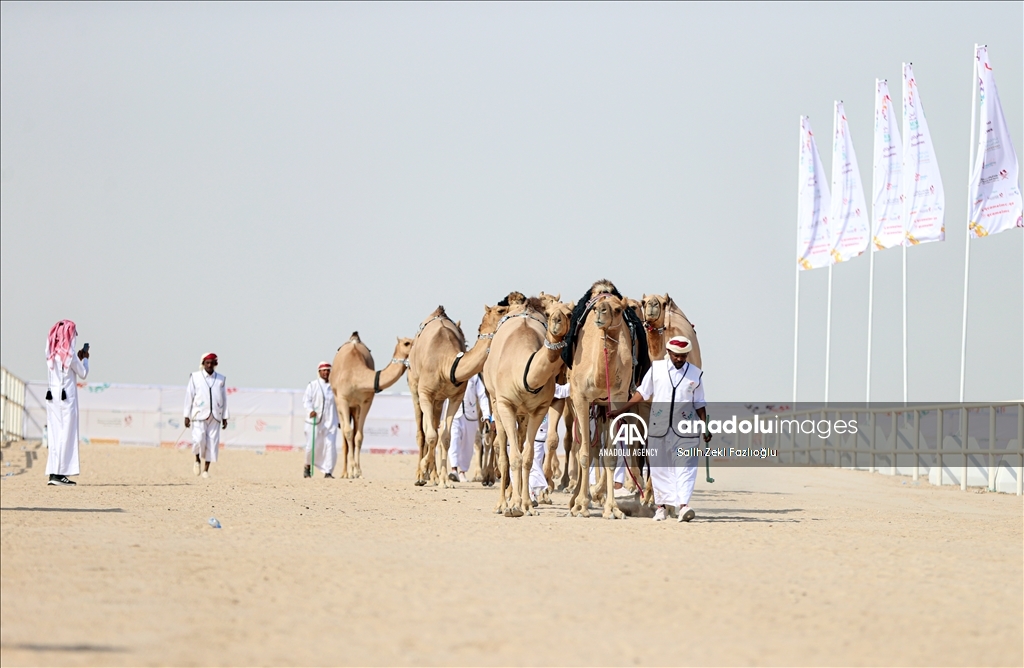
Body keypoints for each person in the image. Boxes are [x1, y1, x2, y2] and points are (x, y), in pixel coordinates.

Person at [617, 336, 710, 523]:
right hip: (658, 428)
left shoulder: (695, 374)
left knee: (686, 466)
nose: (680, 359)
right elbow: (643, 392)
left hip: (686, 429)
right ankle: (661, 507)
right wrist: (621, 410)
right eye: (676, 355)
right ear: (668, 352)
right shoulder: (656, 369)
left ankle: (683, 506)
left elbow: (699, 403)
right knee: (659, 469)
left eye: (683, 356)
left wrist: (705, 426)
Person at [44, 320, 89, 486]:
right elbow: (83, 373)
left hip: (52, 399)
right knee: (66, 433)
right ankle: (60, 473)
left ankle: (53, 471)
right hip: (66, 399)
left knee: (55, 433)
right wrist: (85, 359)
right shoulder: (70, 354)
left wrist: (77, 358)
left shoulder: (51, 353)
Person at [184, 353, 229, 478]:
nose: (209, 365)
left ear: (215, 364)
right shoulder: (195, 377)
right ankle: (197, 459)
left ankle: (206, 470)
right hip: (199, 414)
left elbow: (224, 398)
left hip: (215, 415)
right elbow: (189, 396)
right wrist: (186, 415)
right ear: (203, 363)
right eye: (207, 363)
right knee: (198, 439)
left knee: (212, 442)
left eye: (212, 363)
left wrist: (225, 417)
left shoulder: (221, 379)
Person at [449, 373, 490, 483]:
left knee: (467, 446)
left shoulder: (474, 377)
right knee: (454, 440)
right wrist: (441, 417)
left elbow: (482, 395)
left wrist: (486, 415)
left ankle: (462, 472)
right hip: (454, 414)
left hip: (471, 416)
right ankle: (454, 469)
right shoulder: (451, 374)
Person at [303, 361, 339, 478]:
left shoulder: (335, 386)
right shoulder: (313, 385)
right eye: (324, 370)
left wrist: (339, 421)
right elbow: (306, 401)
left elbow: (338, 404)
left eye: (328, 370)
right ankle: (307, 466)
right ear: (319, 372)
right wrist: (310, 411)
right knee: (311, 446)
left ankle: (328, 472)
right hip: (314, 421)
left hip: (331, 421)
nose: (326, 372)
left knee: (330, 446)